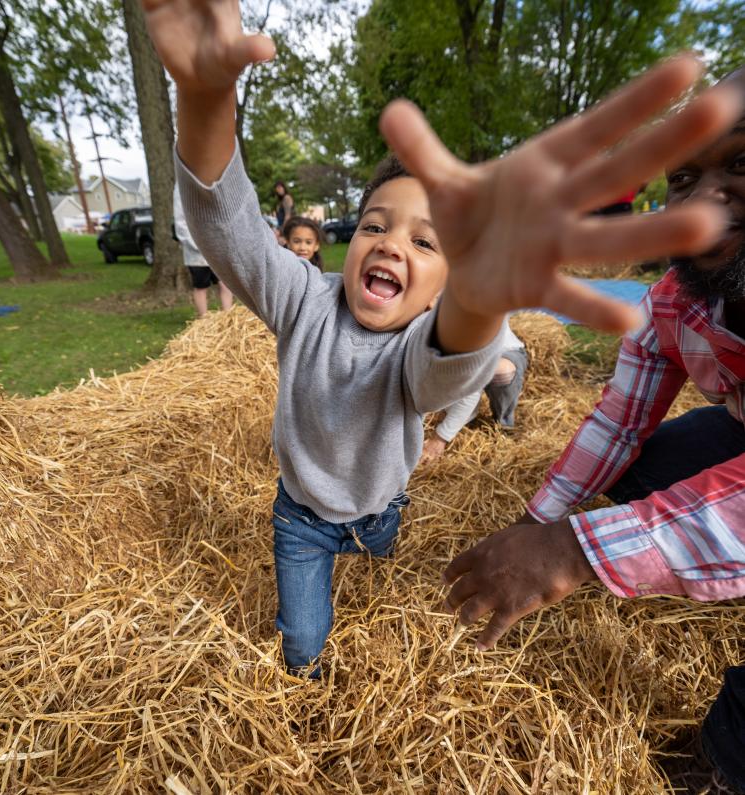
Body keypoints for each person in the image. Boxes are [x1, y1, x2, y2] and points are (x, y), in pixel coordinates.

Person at [141, 0, 738, 676]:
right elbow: (230, 231)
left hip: (381, 510)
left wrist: (478, 306)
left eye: (426, 242)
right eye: (374, 225)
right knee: (302, 644)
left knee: (378, 590)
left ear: (443, 284)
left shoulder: (424, 339)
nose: (391, 245)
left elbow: (444, 371)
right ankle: (304, 669)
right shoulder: (302, 300)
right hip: (300, 520)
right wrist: (203, 99)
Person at [440, 67, 745, 794]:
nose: (702, 203)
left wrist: (575, 551)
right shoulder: (670, 304)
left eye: (739, 165)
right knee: (641, 469)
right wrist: (538, 520)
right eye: (683, 178)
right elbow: (618, 420)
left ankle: (725, 759)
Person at [420, 329, 528, 464]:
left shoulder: (464, 327)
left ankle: (504, 424)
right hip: (458, 353)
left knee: (501, 373)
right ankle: (459, 415)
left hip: (503, 351)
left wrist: (439, 439)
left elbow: (470, 392)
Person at [173, 183, 233, 317]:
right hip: (196, 251)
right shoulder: (182, 187)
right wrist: (198, 245)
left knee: (226, 284)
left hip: (218, 247)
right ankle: (204, 321)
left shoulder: (213, 181)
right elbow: (180, 222)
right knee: (201, 286)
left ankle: (228, 318)